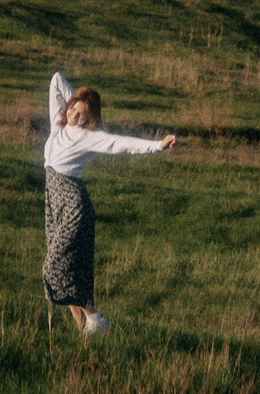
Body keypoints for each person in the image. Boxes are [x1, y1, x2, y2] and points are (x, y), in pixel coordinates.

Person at [43, 71, 178, 333]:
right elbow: (56, 79)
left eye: (83, 115)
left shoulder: (90, 137)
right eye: (73, 110)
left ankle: (96, 319)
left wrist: (158, 145)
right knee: (71, 270)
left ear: (91, 118)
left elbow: (123, 144)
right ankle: (85, 332)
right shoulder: (57, 122)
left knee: (54, 265)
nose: (75, 116)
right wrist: (79, 97)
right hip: (53, 202)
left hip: (73, 204)